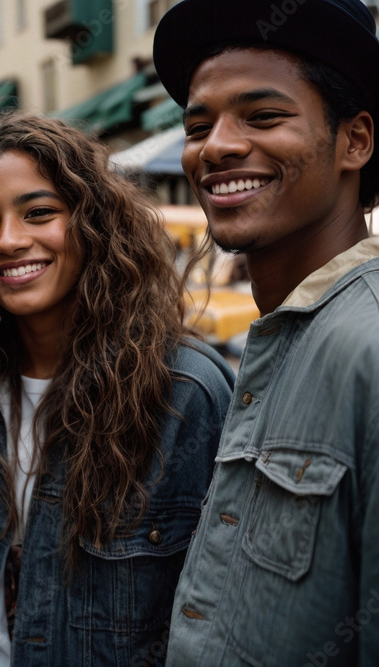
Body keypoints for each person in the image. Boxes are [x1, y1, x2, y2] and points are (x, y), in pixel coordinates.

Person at [0, 113, 235, 666]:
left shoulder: (183, 394)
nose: (9, 241)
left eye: (39, 213)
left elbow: (222, 615)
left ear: (92, 223)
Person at [152, 0, 379, 664]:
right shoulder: (280, 338)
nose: (216, 145)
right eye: (198, 124)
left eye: (263, 116)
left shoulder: (366, 347)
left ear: (355, 141)